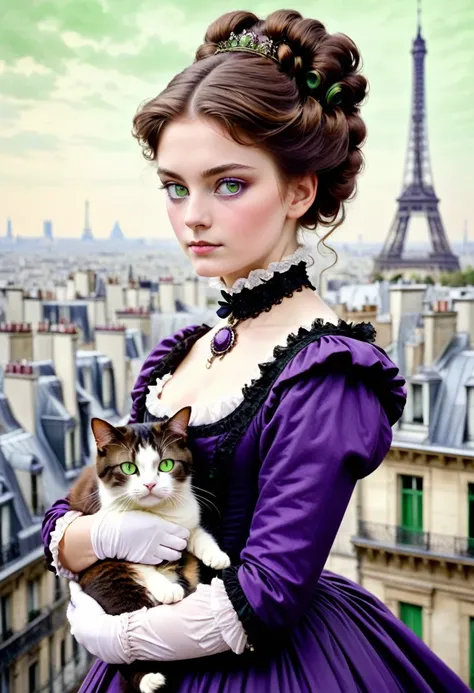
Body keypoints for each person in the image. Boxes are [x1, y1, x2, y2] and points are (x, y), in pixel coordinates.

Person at [42, 9, 470, 693]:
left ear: (301, 190)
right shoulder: (181, 351)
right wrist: (81, 540)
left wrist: (117, 633)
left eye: (228, 183)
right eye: (176, 187)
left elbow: (266, 593)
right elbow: (91, 501)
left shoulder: (329, 372)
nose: (193, 216)